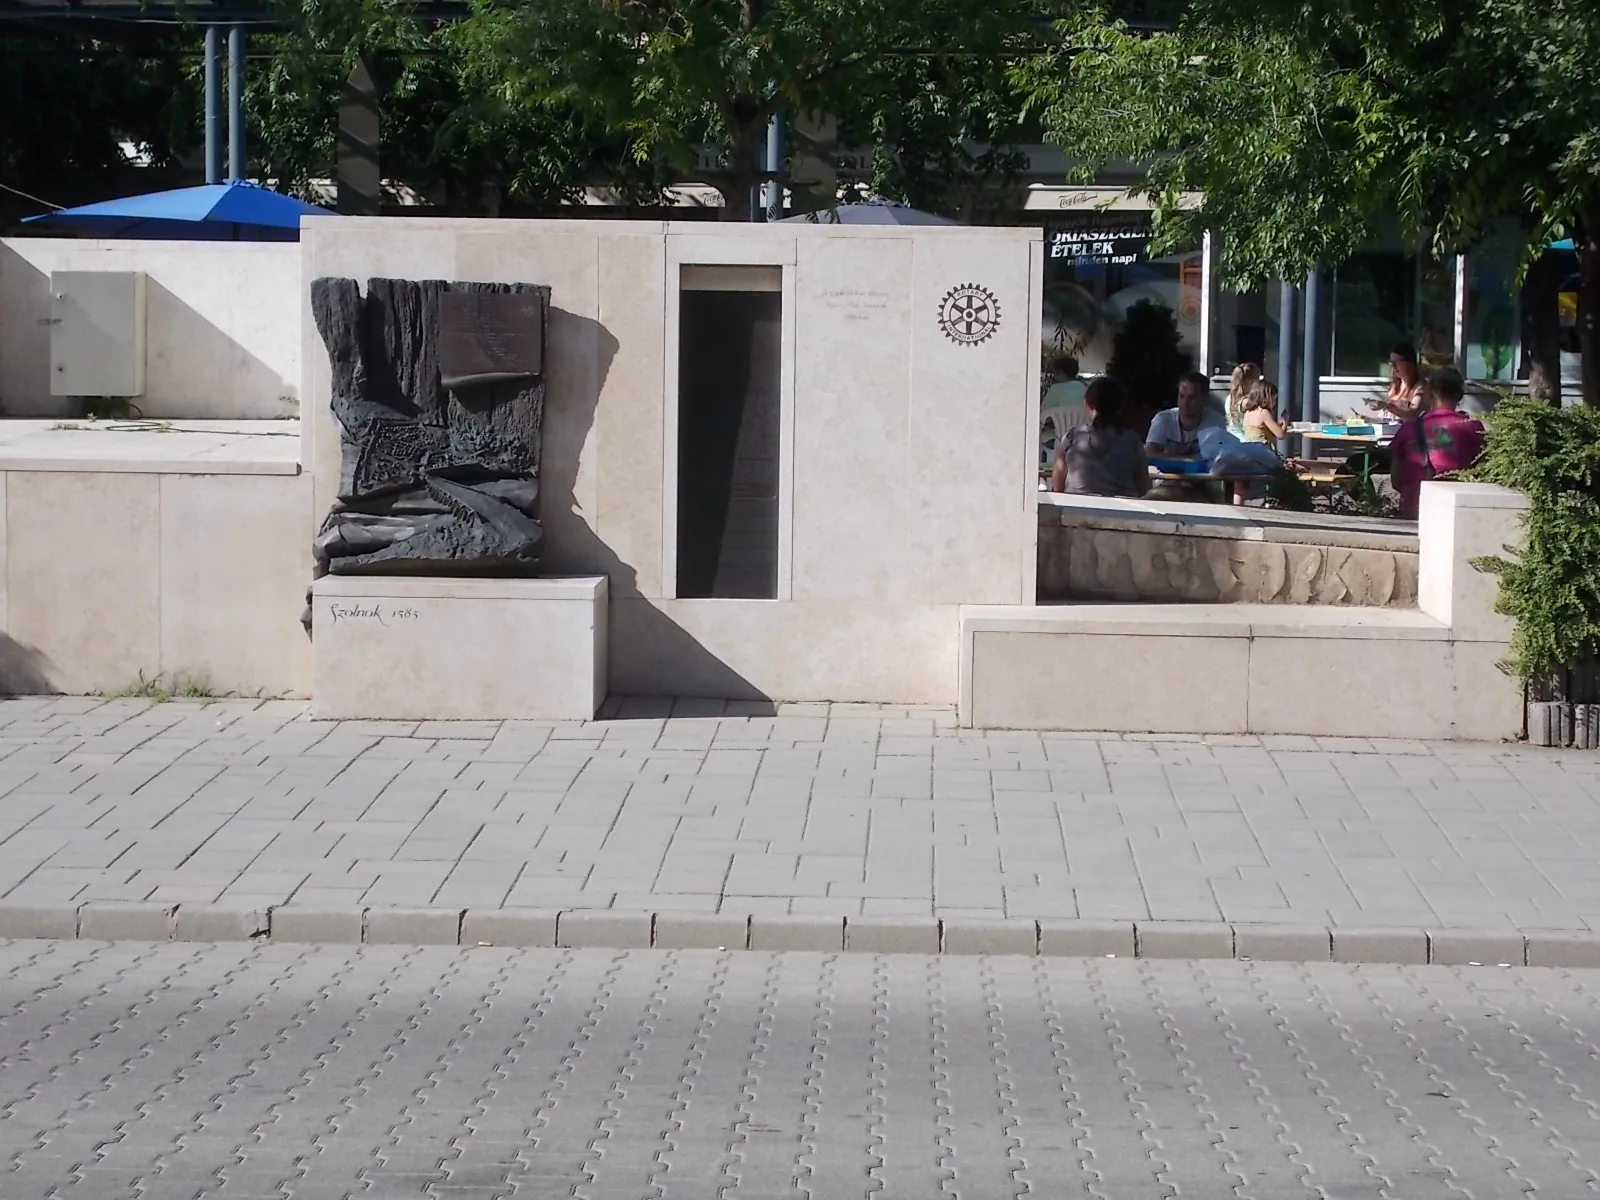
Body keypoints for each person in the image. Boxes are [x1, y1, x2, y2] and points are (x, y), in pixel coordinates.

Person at [1388, 367, 1485, 519]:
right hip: (1457, 509)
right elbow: (1482, 472)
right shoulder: (1473, 427)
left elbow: (1396, 479)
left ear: (1430, 393)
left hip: (1415, 506)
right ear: (1460, 395)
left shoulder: (1409, 428)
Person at [1050, 375, 1150, 498]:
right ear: (1121, 405)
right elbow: (1144, 489)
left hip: (1077, 509)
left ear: (1087, 403)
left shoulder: (1072, 437)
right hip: (1122, 510)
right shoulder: (1132, 441)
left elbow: (1057, 487)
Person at [1146, 371, 1227, 458]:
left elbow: (1220, 456)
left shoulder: (1216, 421)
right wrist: (1186, 460)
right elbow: (1149, 453)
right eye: (1181, 396)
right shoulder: (1163, 419)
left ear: (1204, 398)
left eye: (1192, 397)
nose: (1185, 402)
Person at [1370, 342, 1423, 420]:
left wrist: (1387, 406)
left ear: (1410, 363)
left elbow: (1413, 414)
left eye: (1397, 361)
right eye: (1391, 362)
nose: (1393, 365)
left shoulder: (1420, 387)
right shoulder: (1395, 386)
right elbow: (1385, 416)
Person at [1240, 378, 1289, 445]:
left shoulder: (1247, 412)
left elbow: (1262, 431)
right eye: (1273, 399)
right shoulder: (1264, 413)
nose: (1274, 402)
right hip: (1263, 451)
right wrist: (1285, 422)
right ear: (1266, 398)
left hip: (1250, 451)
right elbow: (1281, 435)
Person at [1226, 362, 1262, 436]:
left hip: (1232, 437)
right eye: (1258, 379)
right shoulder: (1248, 402)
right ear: (1251, 381)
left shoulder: (1230, 398)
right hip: (1246, 440)